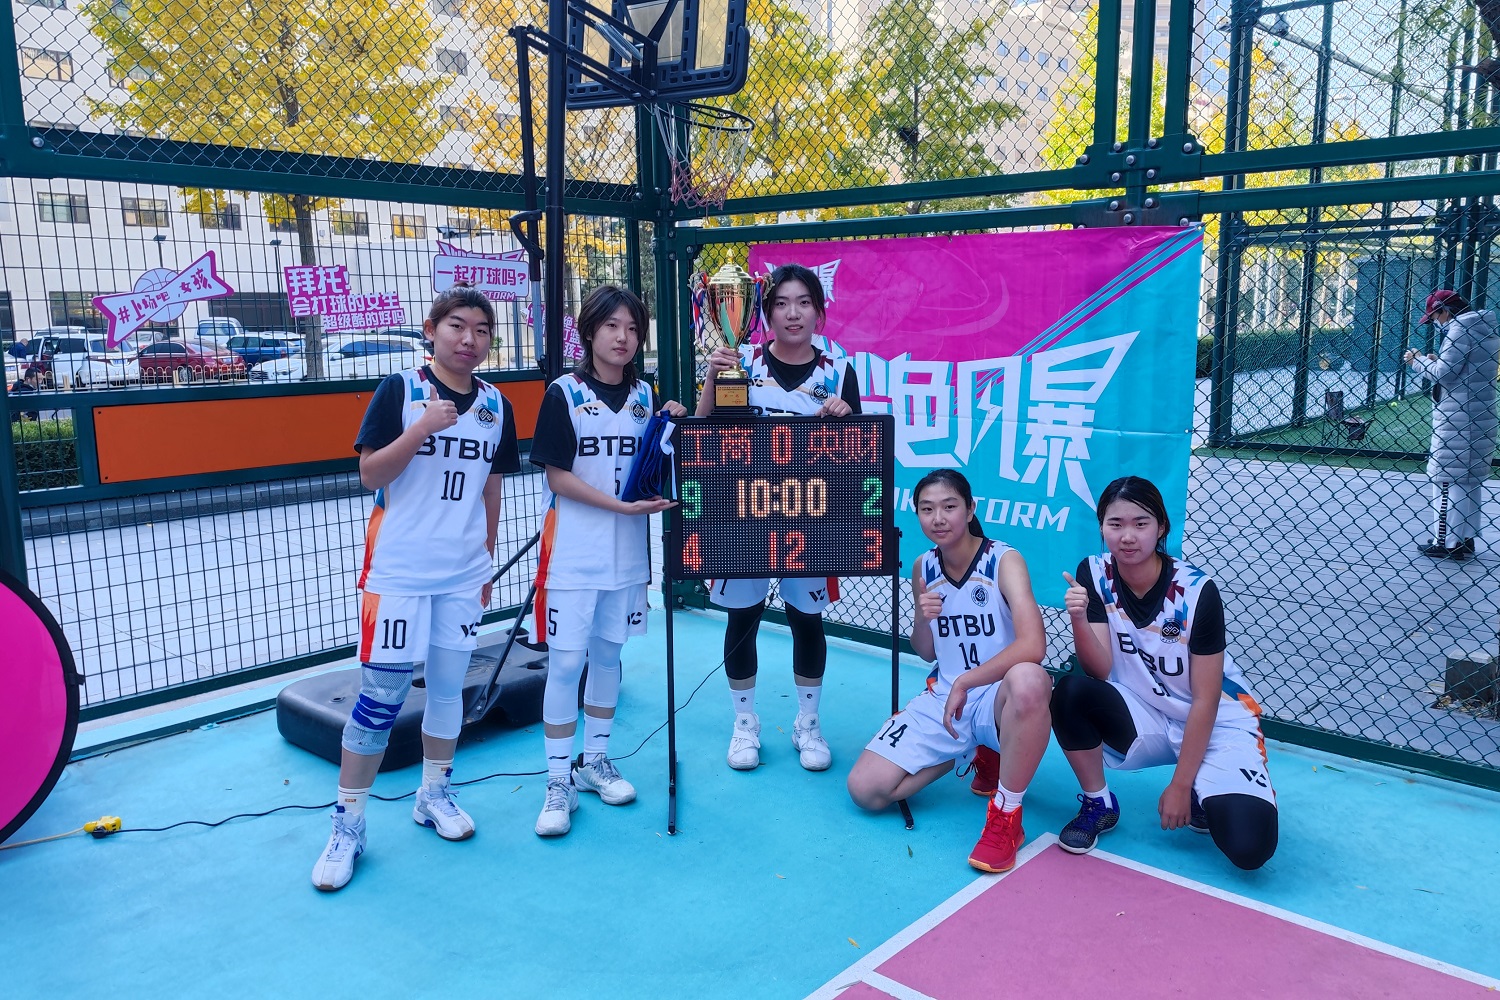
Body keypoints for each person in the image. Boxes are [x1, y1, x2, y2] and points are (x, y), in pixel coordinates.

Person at [311, 286, 520, 891]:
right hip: (399, 573)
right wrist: (422, 428)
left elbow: (491, 482)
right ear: (431, 330)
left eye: (482, 329)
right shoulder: (401, 390)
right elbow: (369, 473)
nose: (469, 339)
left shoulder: (497, 404)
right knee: (381, 698)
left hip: (462, 574)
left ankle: (434, 794)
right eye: (457, 325)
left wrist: (486, 553)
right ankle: (348, 825)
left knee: (450, 689)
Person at [1051, 476, 1278, 871]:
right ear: (1102, 527)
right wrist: (1079, 618)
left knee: (1249, 849)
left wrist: (1180, 784)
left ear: (1161, 528)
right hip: (1148, 712)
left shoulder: (1197, 591)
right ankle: (1098, 803)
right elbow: (1099, 669)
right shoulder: (1093, 572)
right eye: (1115, 524)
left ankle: (1200, 791)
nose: (1127, 536)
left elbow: (1206, 699)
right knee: (1069, 692)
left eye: (1140, 524)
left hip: (1217, 722)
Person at [528, 285, 686, 836]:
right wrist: (620, 506)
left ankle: (593, 761)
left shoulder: (645, 394)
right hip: (573, 555)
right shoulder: (564, 393)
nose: (623, 337)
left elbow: (660, 459)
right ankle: (557, 781)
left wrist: (675, 420)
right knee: (566, 664)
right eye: (612, 326)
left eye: (633, 328)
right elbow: (557, 476)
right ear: (589, 331)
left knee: (609, 659)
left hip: (627, 557)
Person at [696, 263, 863, 772]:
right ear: (764, 313)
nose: (793, 313)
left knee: (806, 620)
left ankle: (807, 723)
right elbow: (702, 431)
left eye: (804, 302)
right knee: (742, 618)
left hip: (808, 518)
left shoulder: (838, 370)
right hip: (742, 514)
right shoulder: (741, 361)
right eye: (782, 303)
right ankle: (744, 723)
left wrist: (846, 419)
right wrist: (711, 376)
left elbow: (857, 454)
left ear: (819, 311)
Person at [846, 470, 1051, 873]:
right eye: (927, 509)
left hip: (997, 698)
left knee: (1030, 679)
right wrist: (924, 620)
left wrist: (967, 681)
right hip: (946, 697)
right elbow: (925, 651)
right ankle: (971, 750)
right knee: (865, 791)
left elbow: (1034, 645)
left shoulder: (1003, 560)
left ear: (970, 509)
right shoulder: (923, 566)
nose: (938, 518)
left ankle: (1007, 814)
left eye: (949, 506)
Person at [1405, 290, 1499, 561]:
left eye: (1434, 316)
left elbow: (1445, 374)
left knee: (1446, 478)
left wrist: (1417, 361)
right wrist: (1437, 361)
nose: (1435, 322)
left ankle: (1446, 541)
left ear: (1444, 311)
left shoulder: (1459, 329)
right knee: (1468, 480)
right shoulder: (1483, 328)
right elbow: (1465, 368)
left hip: (1458, 419)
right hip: (1477, 414)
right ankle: (1464, 538)